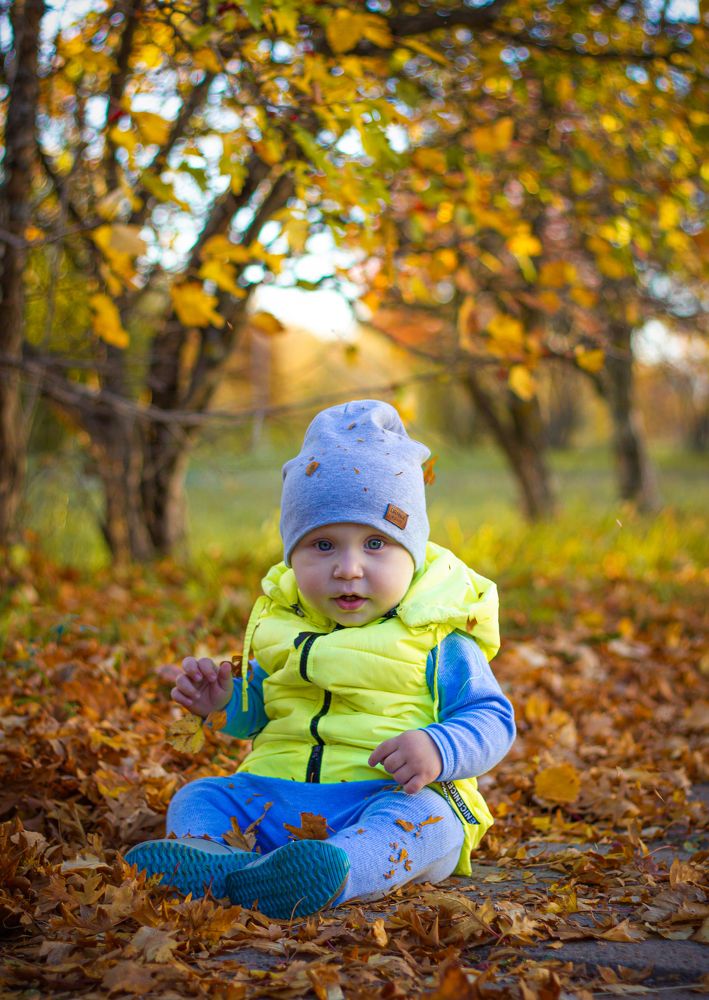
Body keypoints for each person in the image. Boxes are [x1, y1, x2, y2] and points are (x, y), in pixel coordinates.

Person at [125, 399, 515, 918]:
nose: (348, 568)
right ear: (292, 553)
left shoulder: (437, 635)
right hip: (275, 797)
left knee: (429, 823)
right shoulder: (282, 625)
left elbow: (493, 718)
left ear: (412, 553)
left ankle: (337, 871)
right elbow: (263, 712)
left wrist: (437, 747)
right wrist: (224, 701)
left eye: (376, 544)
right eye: (324, 545)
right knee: (201, 796)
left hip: (382, 795)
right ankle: (220, 864)